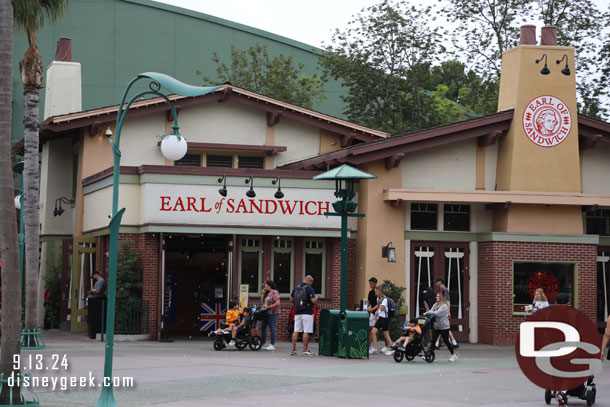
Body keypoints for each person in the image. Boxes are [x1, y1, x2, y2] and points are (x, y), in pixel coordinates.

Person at [425, 292, 458, 362]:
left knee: (446, 341)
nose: (436, 297)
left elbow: (438, 313)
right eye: (436, 296)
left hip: (444, 327)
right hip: (437, 326)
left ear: (441, 298)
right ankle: (430, 355)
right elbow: (431, 311)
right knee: (433, 340)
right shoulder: (435, 304)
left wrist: (429, 312)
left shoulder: (444, 306)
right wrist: (428, 311)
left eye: (437, 296)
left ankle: (453, 355)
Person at [290, 275, 318, 356]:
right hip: (307, 312)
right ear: (310, 281)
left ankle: (293, 349)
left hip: (297, 312)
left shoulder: (296, 288)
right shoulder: (309, 288)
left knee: (296, 330)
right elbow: (313, 300)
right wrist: (316, 298)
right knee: (306, 331)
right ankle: (305, 350)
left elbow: (291, 300)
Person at [435, 278, 459, 349]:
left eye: (437, 281)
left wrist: (448, 311)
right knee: (444, 326)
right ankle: (454, 342)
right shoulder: (441, 290)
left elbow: (448, 300)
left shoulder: (444, 289)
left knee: (442, 326)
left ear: (440, 282)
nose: (436, 283)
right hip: (441, 308)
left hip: (443, 310)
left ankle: (437, 343)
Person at [369, 286, 393, 355]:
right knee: (373, 332)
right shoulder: (379, 299)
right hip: (380, 318)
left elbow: (382, 308)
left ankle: (392, 348)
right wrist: (377, 310)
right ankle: (374, 348)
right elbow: (379, 307)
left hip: (385, 319)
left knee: (386, 334)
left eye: (376, 292)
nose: (375, 293)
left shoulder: (384, 299)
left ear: (379, 291)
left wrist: (378, 310)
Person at [260, 280, 280, 351]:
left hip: (273, 313)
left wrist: (269, 307)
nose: (265, 287)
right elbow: (262, 302)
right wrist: (263, 294)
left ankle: (272, 344)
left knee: (272, 328)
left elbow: (278, 303)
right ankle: (262, 343)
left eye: (266, 285)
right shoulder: (267, 293)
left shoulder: (274, 292)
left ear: (269, 285)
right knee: (263, 327)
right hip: (266, 313)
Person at [87, 272, 106, 339]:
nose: (93, 278)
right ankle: (91, 332)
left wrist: (91, 292)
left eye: (93, 276)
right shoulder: (99, 281)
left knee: (95, 318)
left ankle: (93, 332)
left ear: (96, 275)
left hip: (97, 302)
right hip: (95, 301)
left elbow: (97, 291)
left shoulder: (100, 281)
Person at [366, 277, 379, 351]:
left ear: (375, 283)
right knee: (371, 329)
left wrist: (372, 309)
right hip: (373, 314)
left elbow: (379, 304)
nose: (370, 285)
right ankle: (369, 346)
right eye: (369, 284)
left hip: (379, 313)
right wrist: (363, 308)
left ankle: (387, 347)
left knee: (384, 330)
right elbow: (368, 302)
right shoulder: (370, 292)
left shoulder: (379, 292)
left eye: (371, 283)